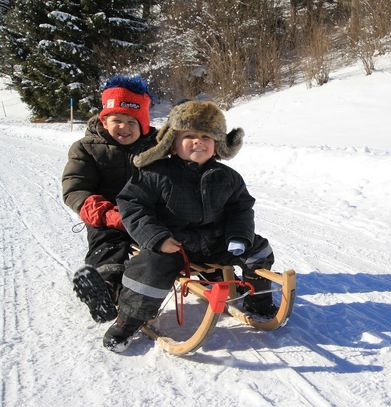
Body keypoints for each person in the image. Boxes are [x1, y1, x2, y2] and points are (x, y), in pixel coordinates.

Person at [104, 100, 276, 352]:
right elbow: (132, 204)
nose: (198, 141)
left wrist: (240, 236)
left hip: (217, 241)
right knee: (150, 267)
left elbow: (241, 207)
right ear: (172, 142)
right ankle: (129, 319)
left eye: (206, 136)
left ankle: (257, 302)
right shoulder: (156, 172)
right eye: (190, 136)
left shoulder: (227, 177)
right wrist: (157, 237)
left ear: (217, 144)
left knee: (260, 249)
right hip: (173, 244)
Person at [62, 75, 157, 323]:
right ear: (105, 120)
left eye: (131, 122)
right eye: (117, 120)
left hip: (149, 215)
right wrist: (106, 214)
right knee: (108, 244)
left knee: (184, 237)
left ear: (144, 124)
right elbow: (75, 189)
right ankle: (104, 289)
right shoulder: (87, 148)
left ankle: (216, 277)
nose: (123, 127)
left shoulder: (156, 148)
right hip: (109, 216)